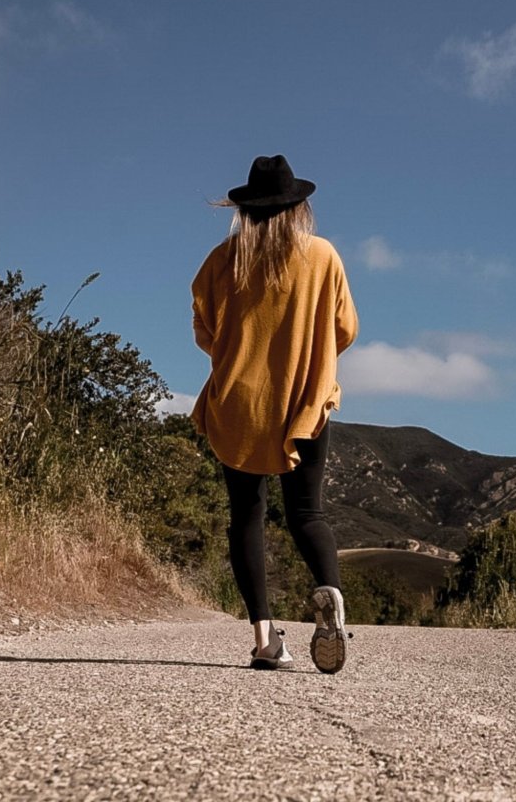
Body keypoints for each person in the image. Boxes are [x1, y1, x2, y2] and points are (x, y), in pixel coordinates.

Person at [191, 155, 358, 674]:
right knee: (308, 512)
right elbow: (345, 327)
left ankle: (265, 641)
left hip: (240, 401)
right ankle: (327, 592)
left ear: (244, 210)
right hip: (303, 397)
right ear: (299, 207)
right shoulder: (322, 255)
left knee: (247, 514)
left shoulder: (223, 259)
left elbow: (204, 330)